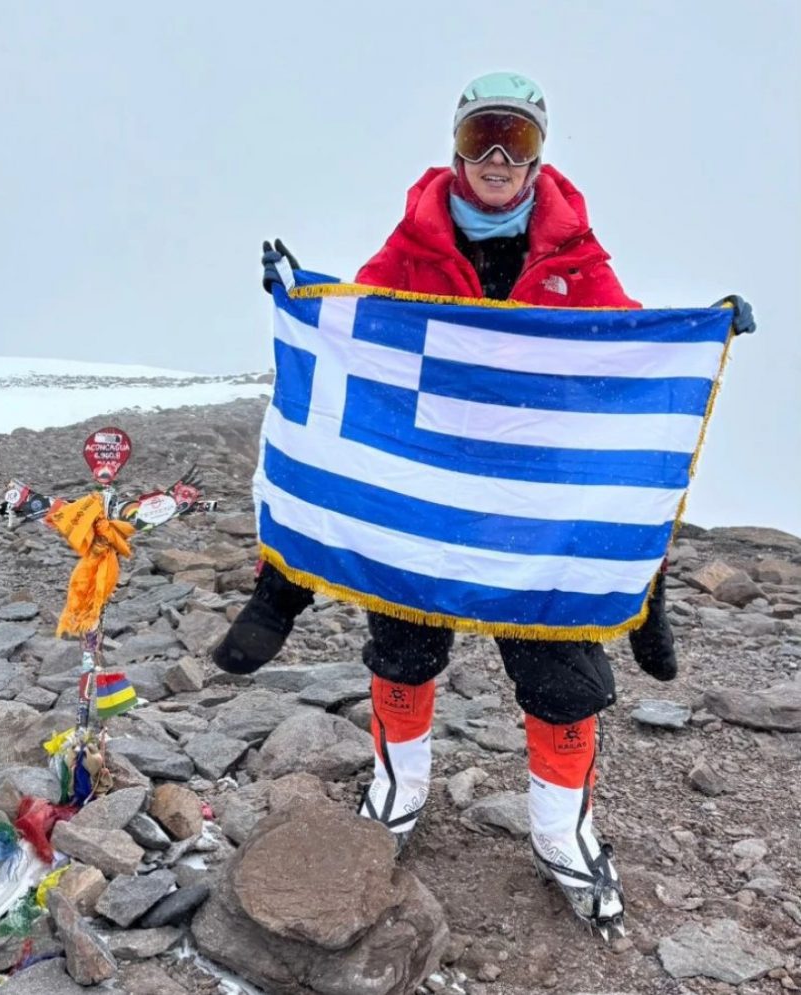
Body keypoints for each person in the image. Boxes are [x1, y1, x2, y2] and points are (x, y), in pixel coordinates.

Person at [212, 71, 755, 938]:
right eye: (480, 138)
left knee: (563, 673)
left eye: (518, 140)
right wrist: (299, 298)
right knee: (403, 642)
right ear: (456, 146)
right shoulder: (408, 247)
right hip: (426, 497)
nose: (498, 158)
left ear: (540, 152)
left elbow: (620, 367)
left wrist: (697, 332)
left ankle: (560, 831)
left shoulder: (577, 256)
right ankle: (400, 787)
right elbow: (361, 358)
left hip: (529, 506)